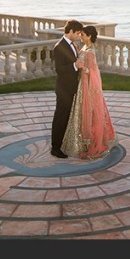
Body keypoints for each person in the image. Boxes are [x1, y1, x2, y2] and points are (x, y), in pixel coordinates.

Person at [61, 25, 118, 159]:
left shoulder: (90, 51)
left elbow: (93, 71)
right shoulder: (84, 47)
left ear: (90, 36)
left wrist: (83, 68)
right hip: (81, 84)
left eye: (83, 34)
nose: (81, 36)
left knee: (88, 112)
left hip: (87, 85)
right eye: (80, 34)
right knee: (81, 113)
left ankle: (91, 142)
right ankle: (81, 141)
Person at [50, 19, 84, 158]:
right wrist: (75, 66)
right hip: (64, 89)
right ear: (70, 31)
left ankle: (63, 143)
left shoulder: (72, 44)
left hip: (71, 87)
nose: (78, 36)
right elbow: (59, 70)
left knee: (66, 117)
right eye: (77, 33)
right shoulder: (59, 47)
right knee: (60, 117)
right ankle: (55, 147)